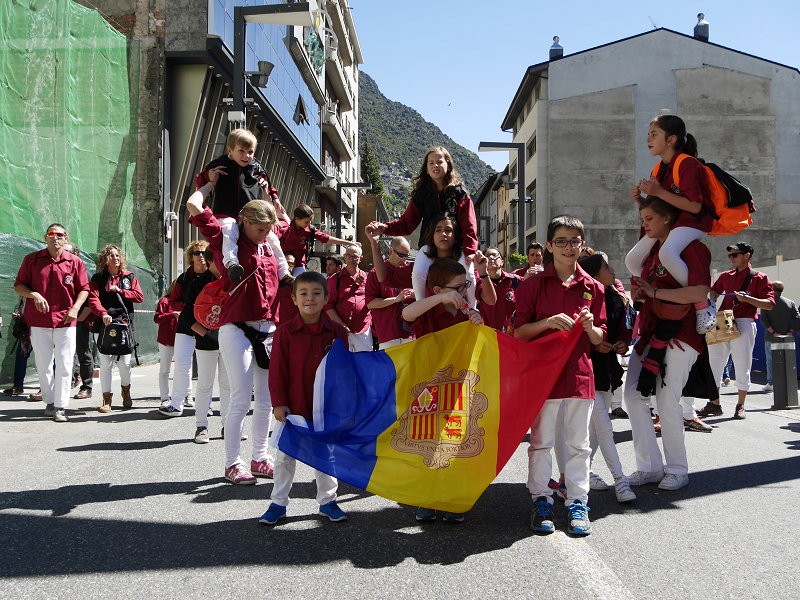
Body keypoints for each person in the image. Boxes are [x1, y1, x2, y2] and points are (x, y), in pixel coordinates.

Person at [514, 215, 606, 536]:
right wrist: (548, 322)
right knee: (540, 443)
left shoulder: (594, 288)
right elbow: (520, 332)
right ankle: (541, 499)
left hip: (581, 375)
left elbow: (599, 339)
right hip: (543, 376)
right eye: (562, 241)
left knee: (579, 444)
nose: (569, 247)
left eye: (575, 241)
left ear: (583, 245)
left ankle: (578, 502)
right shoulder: (531, 286)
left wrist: (590, 327)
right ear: (550, 245)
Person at [186, 184, 280, 485]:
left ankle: (260, 457)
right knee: (240, 398)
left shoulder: (270, 246)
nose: (264, 235)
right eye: (260, 229)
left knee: (265, 399)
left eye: (268, 229)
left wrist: (271, 195)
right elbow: (194, 207)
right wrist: (210, 183)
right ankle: (231, 463)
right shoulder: (228, 238)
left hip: (267, 328)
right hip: (236, 327)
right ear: (245, 221)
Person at [624, 197, 712, 492]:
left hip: (682, 332)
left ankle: (677, 469)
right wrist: (643, 295)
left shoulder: (693, 248)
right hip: (650, 331)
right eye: (643, 218)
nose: (644, 223)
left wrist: (655, 293)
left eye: (649, 218)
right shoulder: (651, 252)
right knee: (633, 396)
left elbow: (699, 292)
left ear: (667, 219)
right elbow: (648, 292)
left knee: (666, 400)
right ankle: (650, 467)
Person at [259, 271, 350, 525]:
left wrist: (343, 406)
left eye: (316, 293)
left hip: (326, 409)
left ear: (326, 298)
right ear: (294, 299)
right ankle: (278, 503)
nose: (310, 298)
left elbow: (344, 372)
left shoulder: (337, 332)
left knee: (326, 456)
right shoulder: (284, 333)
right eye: (304, 294)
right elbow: (277, 370)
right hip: (293, 407)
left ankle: (328, 501)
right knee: (284, 457)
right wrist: (279, 402)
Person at [401, 258, 483, 523]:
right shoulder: (427, 311)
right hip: (427, 392)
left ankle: (450, 498)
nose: (463, 292)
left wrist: (477, 322)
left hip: (458, 392)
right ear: (437, 291)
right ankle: (426, 498)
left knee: (453, 445)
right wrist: (440, 299)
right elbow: (407, 314)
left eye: (465, 286)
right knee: (427, 444)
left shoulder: (466, 313)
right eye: (457, 288)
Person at [625, 113, 717, 335]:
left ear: (672, 139)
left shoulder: (687, 164)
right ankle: (660, 288)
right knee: (632, 260)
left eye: (654, 135)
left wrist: (657, 191)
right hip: (670, 223)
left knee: (666, 254)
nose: (648, 139)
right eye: (648, 135)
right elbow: (659, 206)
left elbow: (695, 206)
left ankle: (701, 303)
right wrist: (641, 200)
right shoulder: (659, 168)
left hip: (692, 222)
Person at [367, 147, 479, 308]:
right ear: (426, 168)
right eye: (431, 163)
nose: (435, 165)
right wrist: (385, 228)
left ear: (448, 164)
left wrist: (470, 251)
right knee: (418, 273)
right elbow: (406, 224)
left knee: (468, 273)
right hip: (429, 246)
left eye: (439, 162)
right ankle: (421, 307)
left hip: (457, 247)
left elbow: (469, 225)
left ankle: (472, 309)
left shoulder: (459, 193)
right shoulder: (421, 194)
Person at [13, 223, 90, 422]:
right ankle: (49, 400)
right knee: (43, 364)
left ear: (66, 238)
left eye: (59, 235)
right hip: (38, 320)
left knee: (65, 364)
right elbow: (19, 285)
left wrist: (75, 308)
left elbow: (84, 289)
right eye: (51, 234)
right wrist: (34, 294)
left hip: (66, 321)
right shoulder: (31, 260)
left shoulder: (75, 262)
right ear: (45, 238)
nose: (55, 238)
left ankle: (60, 406)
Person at [195, 128, 291, 284]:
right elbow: (200, 180)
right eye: (242, 151)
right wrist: (208, 176)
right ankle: (232, 264)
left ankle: (284, 273)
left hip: (252, 215)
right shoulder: (220, 164)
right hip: (227, 212)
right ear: (230, 150)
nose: (247, 156)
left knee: (272, 238)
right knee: (229, 231)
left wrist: (275, 198)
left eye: (250, 152)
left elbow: (269, 185)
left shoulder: (255, 167)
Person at [577, 254, 636, 502]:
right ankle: (620, 480)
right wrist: (592, 344)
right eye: (606, 267)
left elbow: (624, 328)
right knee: (604, 427)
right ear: (593, 274)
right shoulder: (583, 298)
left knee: (594, 430)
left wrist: (622, 341)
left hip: (610, 370)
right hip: (588, 371)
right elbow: (575, 335)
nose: (613, 270)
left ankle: (581, 473)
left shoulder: (616, 297)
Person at [698, 242, 774, 420]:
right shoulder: (726, 276)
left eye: (735, 255)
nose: (731, 258)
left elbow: (770, 304)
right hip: (724, 319)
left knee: (742, 364)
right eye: (730, 255)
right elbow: (714, 291)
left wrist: (749, 299)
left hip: (745, 321)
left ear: (747, 256)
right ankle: (715, 404)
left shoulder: (760, 278)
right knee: (714, 363)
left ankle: (741, 405)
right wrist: (713, 294)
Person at [173, 249, 231, 444]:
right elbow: (187, 315)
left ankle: (228, 426)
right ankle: (201, 426)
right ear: (210, 261)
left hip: (230, 342)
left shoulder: (232, 282)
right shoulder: (198, 284)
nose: (224, 263)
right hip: (206, 343)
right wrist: (205, 333)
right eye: (220, 260)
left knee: (227, 386)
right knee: (205, 384)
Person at [87, 245, 144, 412]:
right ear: (105, 259)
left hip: (124, 325)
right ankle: (107, 399)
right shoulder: (97, 279)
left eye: (117, 255)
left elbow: (139, 296)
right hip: (103, 325)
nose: (116, 258)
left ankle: (126, 391)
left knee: (125, 363)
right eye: (111, 255)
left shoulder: (129, 277)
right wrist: (103, 313)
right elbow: (93, 300)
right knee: (105, 363)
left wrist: (120, 291)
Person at [168, 241, 211, 409]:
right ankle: (176, 403)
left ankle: (206, 405)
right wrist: (189, 309)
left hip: (207, 328)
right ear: (190, 257)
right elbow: (173, 301)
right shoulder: (183, 278)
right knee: (181, 366)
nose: (201, 256)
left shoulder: (214, 277)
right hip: (186, 326)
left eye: (203, 253)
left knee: (205, 372)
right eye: (197, 253)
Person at [274, 204, 356, 276]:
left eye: (310, 222)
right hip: (281, 262)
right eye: (306, 222)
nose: (309, 224)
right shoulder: (284, 227)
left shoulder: (309, 230)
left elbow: (326, 238)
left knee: (300, 284)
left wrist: (349, 243)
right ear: (297, 219)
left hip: (298, 264)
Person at [365, 237, 415, 350]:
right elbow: (370, 303)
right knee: (391, 367)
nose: (404, 259)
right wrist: (396, 299)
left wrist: (416, 296)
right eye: (401, 255)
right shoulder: (375, 273)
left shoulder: (410, 273)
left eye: (407, 255)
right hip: (388, 333)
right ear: (391, 251)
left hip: (409, 332)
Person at [324, 245, 373, 352]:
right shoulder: (335, 279)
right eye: (349, 256)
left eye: (355, 257)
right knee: (345, 364)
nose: (351, 259)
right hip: (342, 330)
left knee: (364, 363)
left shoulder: (367, 277)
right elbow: (328, 305)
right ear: (344, 257)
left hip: (363, 328)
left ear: (360, 259)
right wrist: (341, 325)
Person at [62, 242, 95, 401]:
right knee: (63, 354)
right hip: (61, 321)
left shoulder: (85, 274)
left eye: (67, 251)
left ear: (75, 255)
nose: (64, 253)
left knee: (83, 352)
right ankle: (65, 383)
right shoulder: (59, 271)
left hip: (79, 321)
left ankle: (86, 387)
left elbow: (91, 300)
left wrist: (80, 318)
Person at [760, 281, 799, 392]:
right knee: (787, 360)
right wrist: (790, 331)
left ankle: (771, 383)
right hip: (787, 338)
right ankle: (787, 382)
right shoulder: (790, 303)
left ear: (772, 290)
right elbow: (797, 318)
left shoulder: (766, 303)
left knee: (770, 360)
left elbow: (763, 319)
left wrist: (773, 333)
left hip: (771, 338)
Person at [479, 247, 521, 332]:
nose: (491, 258)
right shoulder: (480, 284)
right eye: (487, 256)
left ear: (502, 262)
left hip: (511, 336)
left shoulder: (516, 281)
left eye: (494, 255)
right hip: (488, 336)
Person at [154, 280, 179, 406]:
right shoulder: (164, 301)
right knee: (164, 370)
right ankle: (164, 396)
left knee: (184, 369)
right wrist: (172, 315)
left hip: (181, 339)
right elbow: (157, 318)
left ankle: (187, 395)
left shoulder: (184, 301)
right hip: (166, 340)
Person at [3, 298, 32, 396]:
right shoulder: (23, 289)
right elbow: (21, 304)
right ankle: (18, 386)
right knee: (21, 356)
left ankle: (45, 389)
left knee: (44, 359)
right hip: (25, 328)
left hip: (41, 327)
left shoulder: (41, 287)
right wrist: (17, 313)